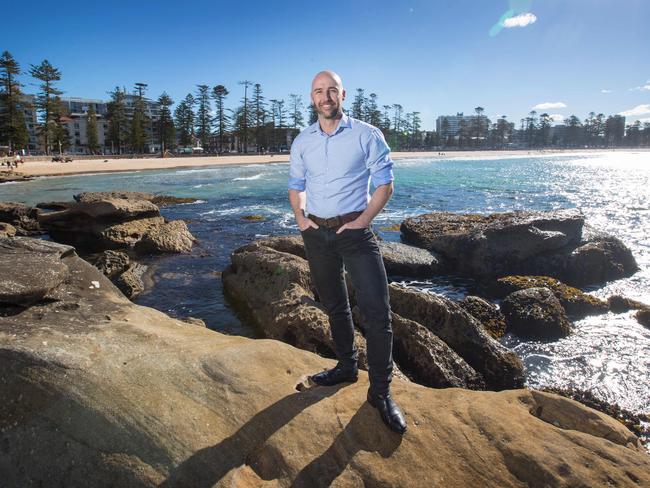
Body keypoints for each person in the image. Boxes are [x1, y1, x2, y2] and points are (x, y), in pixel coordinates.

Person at [288, 70, 406, 434]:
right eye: (318, 92)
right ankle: (346, 366)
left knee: (377, 312)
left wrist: (363, 221)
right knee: (334, 305)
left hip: (355, 233)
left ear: (343, 94)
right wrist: (301, 219)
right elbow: (296, 185)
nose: (325, 97)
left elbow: (385, 184)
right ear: (312, 98)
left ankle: (381, 392)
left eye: (332, 91)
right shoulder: (303, 140)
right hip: (316, 234)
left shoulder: (366, 135)